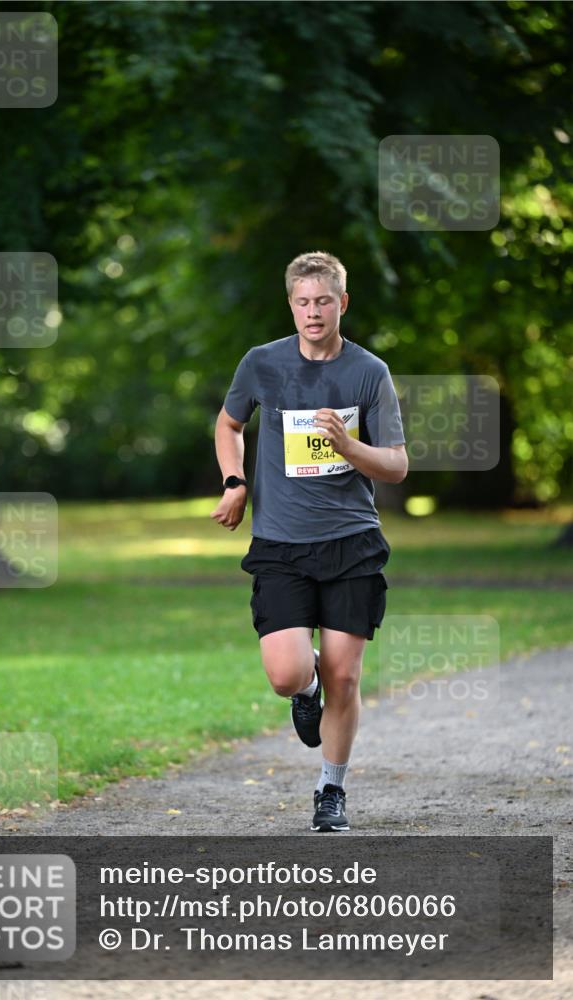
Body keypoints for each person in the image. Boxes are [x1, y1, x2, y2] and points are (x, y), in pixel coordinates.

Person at [211, 251, 407, 832]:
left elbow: (396, 465)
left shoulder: (369, 372)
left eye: (324, 301)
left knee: (348, 677)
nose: (313, 312)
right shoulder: (262, 364)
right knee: (286, 675)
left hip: (351, 542)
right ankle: (308, 684)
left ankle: (331, 790)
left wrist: (349, 448)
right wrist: (235, 481)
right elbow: (229, 424)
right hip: (280, 544)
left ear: (342, 303)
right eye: (303, 302)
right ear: (291, 305)